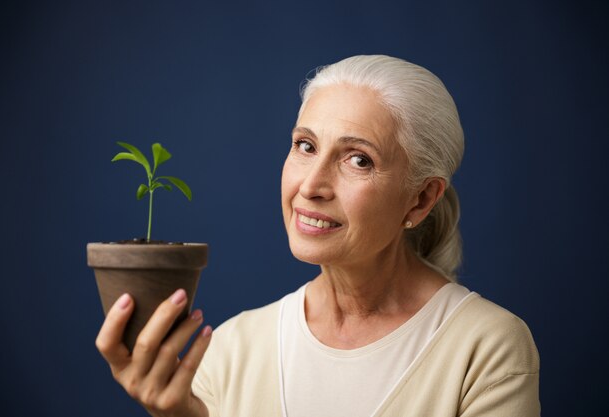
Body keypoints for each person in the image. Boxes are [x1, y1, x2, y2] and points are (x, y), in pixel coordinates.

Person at [96, 55, 540, 417]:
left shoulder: (487, 350)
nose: (311, 186)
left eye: (358, 160)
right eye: (305, 146)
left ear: (421, 200)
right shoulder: (231, 348)